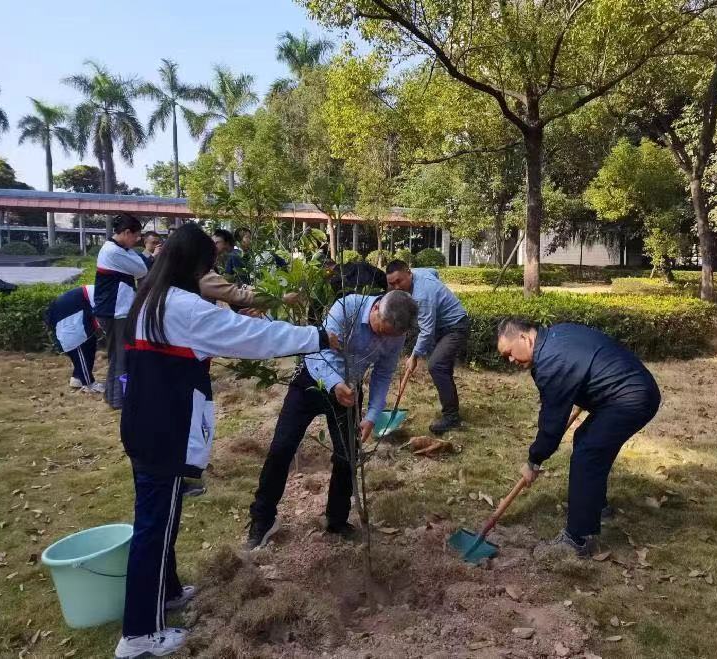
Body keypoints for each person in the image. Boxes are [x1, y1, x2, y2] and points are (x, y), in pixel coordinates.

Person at [115, 223, 338, 659]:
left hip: (145, 421)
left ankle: (169, 591)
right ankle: (139, 634)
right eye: (208, 265)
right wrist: (316, 337)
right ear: (195, 265)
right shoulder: (184, 308)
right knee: (153, 527)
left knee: (163, 517)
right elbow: (252, 336)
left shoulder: (150, 298)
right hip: (166, 429)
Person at [246, 290, 419, 550]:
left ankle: (337, 520)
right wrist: (334, 383)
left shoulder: (396, 332)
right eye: (381, 330)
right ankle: (262, 519)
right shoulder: (347, 307)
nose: (383, 338)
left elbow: (383, 374)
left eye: (390, 335)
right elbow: (318, 350)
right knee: (282, 447)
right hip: (312, 378)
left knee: (347, 455)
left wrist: (372, 415)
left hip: (349, 390)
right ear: (375, 310)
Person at [496, 318, 661, 558]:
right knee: (586, 438)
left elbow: (552, 424)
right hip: (631, 389)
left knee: (588, 455)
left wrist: (534, 460)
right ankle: (596, 506)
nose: (510, 360)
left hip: (630, 397)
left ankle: (579, 538)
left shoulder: (550, 362)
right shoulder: (555, 336)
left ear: (524, 338)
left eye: (509, 353)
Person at [386, 260, 469, 435]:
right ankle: (451, 409)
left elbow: (426, 330)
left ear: (408, 272)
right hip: (442, 327)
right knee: (442, 368)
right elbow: (434, 271)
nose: (396, 287)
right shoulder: (417, 272)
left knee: (436, 366)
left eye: (399, 281)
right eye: (391, 283)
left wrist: (414, 356)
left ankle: (451, 417)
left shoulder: (422, 295)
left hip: (456, 326)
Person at [94, 213, 148, 410]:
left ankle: (111, 396)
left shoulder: (117, 248)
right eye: (136, 236)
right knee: (120, 356)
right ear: (126, 233)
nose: (137, 241)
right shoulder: (114, 252)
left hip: (114, 310)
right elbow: (142, 269)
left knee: (117, 355)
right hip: (115, 312)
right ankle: (118, 400)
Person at [45, 284, 103, 394]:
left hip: (79, 313)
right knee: (79, 349)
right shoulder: (103, 294)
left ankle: (77, 378)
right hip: (67, 318)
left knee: (90, 343)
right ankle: (89, 384)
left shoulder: (103, 291)